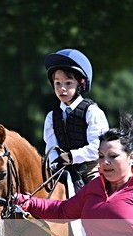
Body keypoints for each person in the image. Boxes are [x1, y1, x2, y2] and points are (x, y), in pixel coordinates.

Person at [43, 48, 109, 191]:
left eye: (68, 83)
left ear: (80, 84)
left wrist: (71, 156)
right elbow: (51, 147)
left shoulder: (92, 112)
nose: (62, 89)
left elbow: (95, 148)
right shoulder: (51, 117)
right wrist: (55, 161)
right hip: (62, 170)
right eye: (57, 83)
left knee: (99, 198)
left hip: (90, 169)